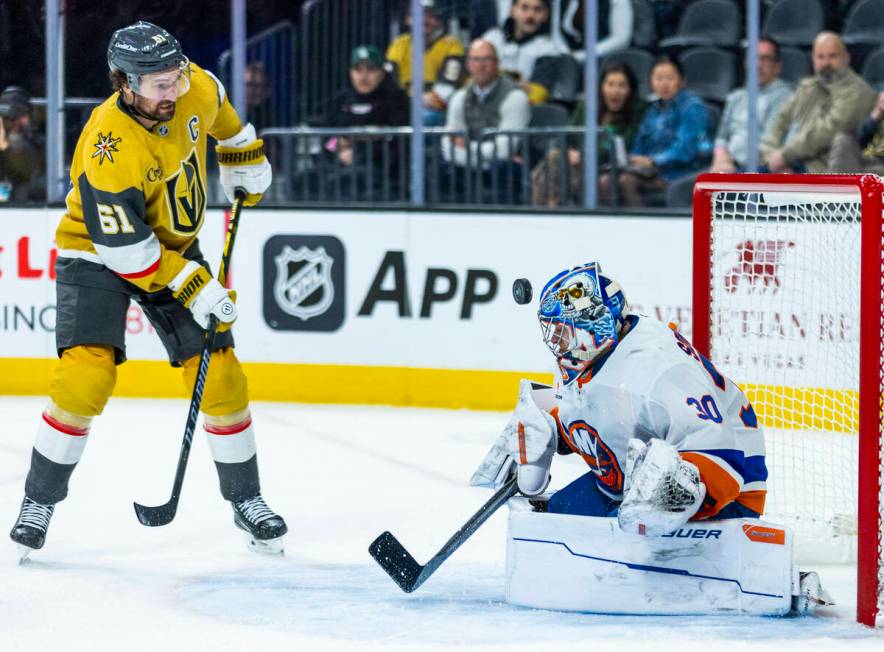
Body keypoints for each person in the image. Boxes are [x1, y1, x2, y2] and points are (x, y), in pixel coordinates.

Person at [8, 21, 285, 557]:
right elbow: (127, 252)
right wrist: (191, 281)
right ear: (125, 83)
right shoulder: (107, 146)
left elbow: (226, 119)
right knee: (85, 377)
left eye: (176, 76)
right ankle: (38, 501)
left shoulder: (195, 84)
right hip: (99, 253)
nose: (173, 91)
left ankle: (247, 501)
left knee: (221, 375)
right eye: (159, 84)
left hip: (174, 250)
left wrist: (244, 157)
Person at [471, 261, 829, 615]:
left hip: (724, 495)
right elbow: (606, 416)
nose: (557, 345)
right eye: (553, 333)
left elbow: (725, 459)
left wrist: (669, 495)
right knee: (552, 526)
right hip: (628, 483)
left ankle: (763, 574)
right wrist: (549, 425)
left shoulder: (659, 370)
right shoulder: (597, 353)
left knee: (620, 542)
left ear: (594, 323)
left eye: (563, 333)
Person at [599, 55, 710, 207]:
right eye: (658, 78)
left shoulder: (692, 107)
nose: (664, 84)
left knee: (627, 181)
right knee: (606, 181)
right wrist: (632, 159)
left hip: (680, 174)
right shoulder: (652, 110)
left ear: (681, 81)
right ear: (651, 82)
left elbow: (686, 149)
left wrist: (653, 161)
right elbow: (640, 143)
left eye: (670, 78)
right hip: (649, 172)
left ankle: (639, 229)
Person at [531, 61, 645, 207]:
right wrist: (568, 151)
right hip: (578, 168)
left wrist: (582, 156)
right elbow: (565, 137)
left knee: (550, 165)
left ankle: (551, 212)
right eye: (610, 84)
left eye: (622, 85)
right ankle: (552, 208)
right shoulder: (586, 107)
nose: (615, 91)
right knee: (544, 169)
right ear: (601, 87)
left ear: (630, 89)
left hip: (607, 170)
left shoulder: (637, 111)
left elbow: (621, 147)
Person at [761, 31, 874, 174]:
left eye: (833, 56)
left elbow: (826, 132)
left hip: (817, 171)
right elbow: (779, 123)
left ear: (846, 58)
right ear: (813, 60)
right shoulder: (806, 86)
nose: (826, 63)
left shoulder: (858, 91)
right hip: (782, 166)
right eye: (820, 57)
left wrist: (784, 156)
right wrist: (771, 158)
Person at [312, 45, 410, 201]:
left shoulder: (397, 100)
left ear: (382, 72)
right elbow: (328, 138)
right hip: (338, 164)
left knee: (351, 180)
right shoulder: (339, 101)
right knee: (305, 179)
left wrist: (359, 146)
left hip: (382, 168)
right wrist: (337, 147)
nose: (363, 77)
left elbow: (397, 139)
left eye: (370, 70)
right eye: (358, 70)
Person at [441, 39, 530, 203]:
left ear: (497, 64)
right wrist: (481, 159)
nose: (481, 66)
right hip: (475, 164)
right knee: (440, 166)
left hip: (504, 168)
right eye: (475, 60)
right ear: (468, 64)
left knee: (504, 168)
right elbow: (449, 145)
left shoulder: (515, 97)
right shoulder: (459, 97)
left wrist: (467, 147)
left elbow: (505, 150)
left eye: (487, 59)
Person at [711, 37, 792, 174]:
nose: (758, 65)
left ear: (777, 66)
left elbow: (770, 144)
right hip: (727, 166)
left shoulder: (785, 97)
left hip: (760, 170)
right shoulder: (736, 97)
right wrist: (720, 155)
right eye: (753, 58)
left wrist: (731, 165)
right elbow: (721, 136)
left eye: (765, 59)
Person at [385, 0, 466, 126]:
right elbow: (390, 82)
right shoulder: (399, 45)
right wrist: (411, 101)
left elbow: (447, 89)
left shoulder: (452, 46)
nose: (424, 20)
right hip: (405, 105)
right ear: (408, 19)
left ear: (439, 19)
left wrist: (413, 101)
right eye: (418, 14)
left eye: (430, 15)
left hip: (439, 109)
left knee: (424, 117)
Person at [482, 0, 567, 105]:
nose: (530, 15)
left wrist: (494, 81)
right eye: (524, 8)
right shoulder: (491, 38)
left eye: (537, 10)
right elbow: (475, 80)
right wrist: (518, 85)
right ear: (512, 10)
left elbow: (537, 94)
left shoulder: (549, 49)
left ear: (545, 15)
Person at [0, 85, 44, 202]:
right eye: (11, 117)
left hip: (28, 205)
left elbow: (28, 171)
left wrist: (6, 146)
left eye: (22, 115)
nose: (16, 122)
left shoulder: (40, 144)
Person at [826, 91, 884, 174]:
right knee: (842, 139)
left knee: (844, 170)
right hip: (868, 157)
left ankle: (838, 180)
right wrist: (877, 113)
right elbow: (861, 139)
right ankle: (841, 179)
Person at [552, 0, 634, 58]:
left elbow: (621, 40)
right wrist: (564, 53)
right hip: (567, 57)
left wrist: (581, 56)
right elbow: (556, 32)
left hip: (603, 58)